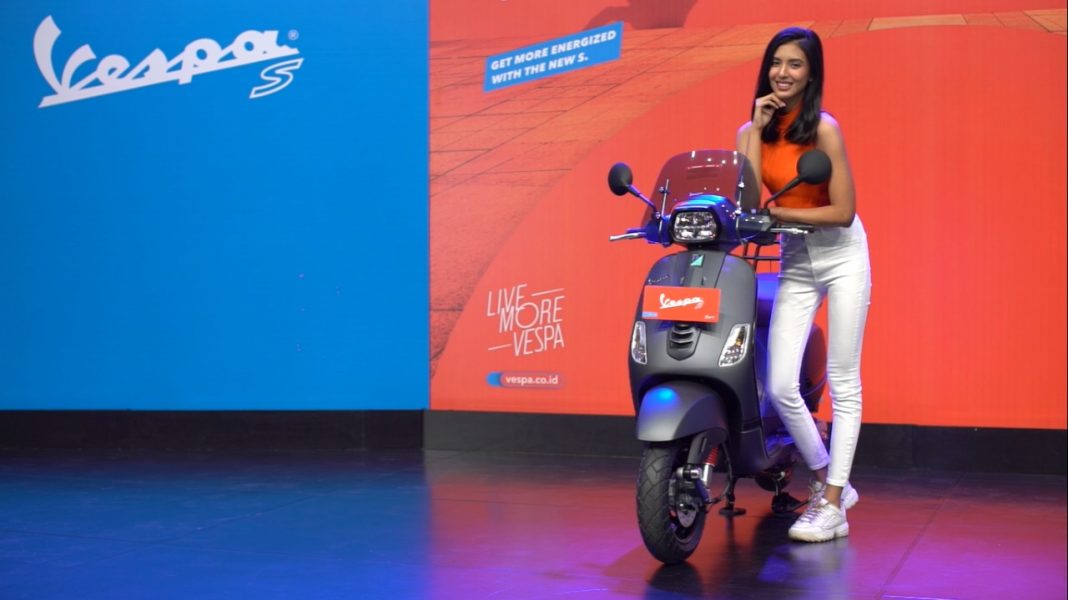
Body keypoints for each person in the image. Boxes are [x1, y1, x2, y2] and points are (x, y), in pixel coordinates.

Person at [735, 27, 872, 543]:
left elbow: (842, 211)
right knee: (778, 385)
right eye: (776, 62)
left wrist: (780, 216)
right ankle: (827, 479)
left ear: (811, 74)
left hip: (842, 255)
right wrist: (755, 130)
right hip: (796, 257)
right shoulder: (750, 132)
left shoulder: (825, 130)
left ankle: (833, 506)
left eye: (795, 64)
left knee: (843, 379)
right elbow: (750, 206)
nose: (782, 73)